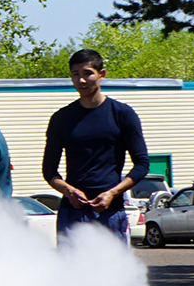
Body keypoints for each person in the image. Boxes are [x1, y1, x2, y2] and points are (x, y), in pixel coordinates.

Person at [42, 49, 150, 243]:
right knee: (71, 271)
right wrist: (68, 191)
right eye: (76, 75)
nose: (81, 80)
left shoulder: (123, 114)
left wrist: (113, 193)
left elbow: (142, 164)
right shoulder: (61, 118)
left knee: (114, 272)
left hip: (110, 212)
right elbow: (49, 170)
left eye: (87, 73)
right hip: (72, 214)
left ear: (102, 74)